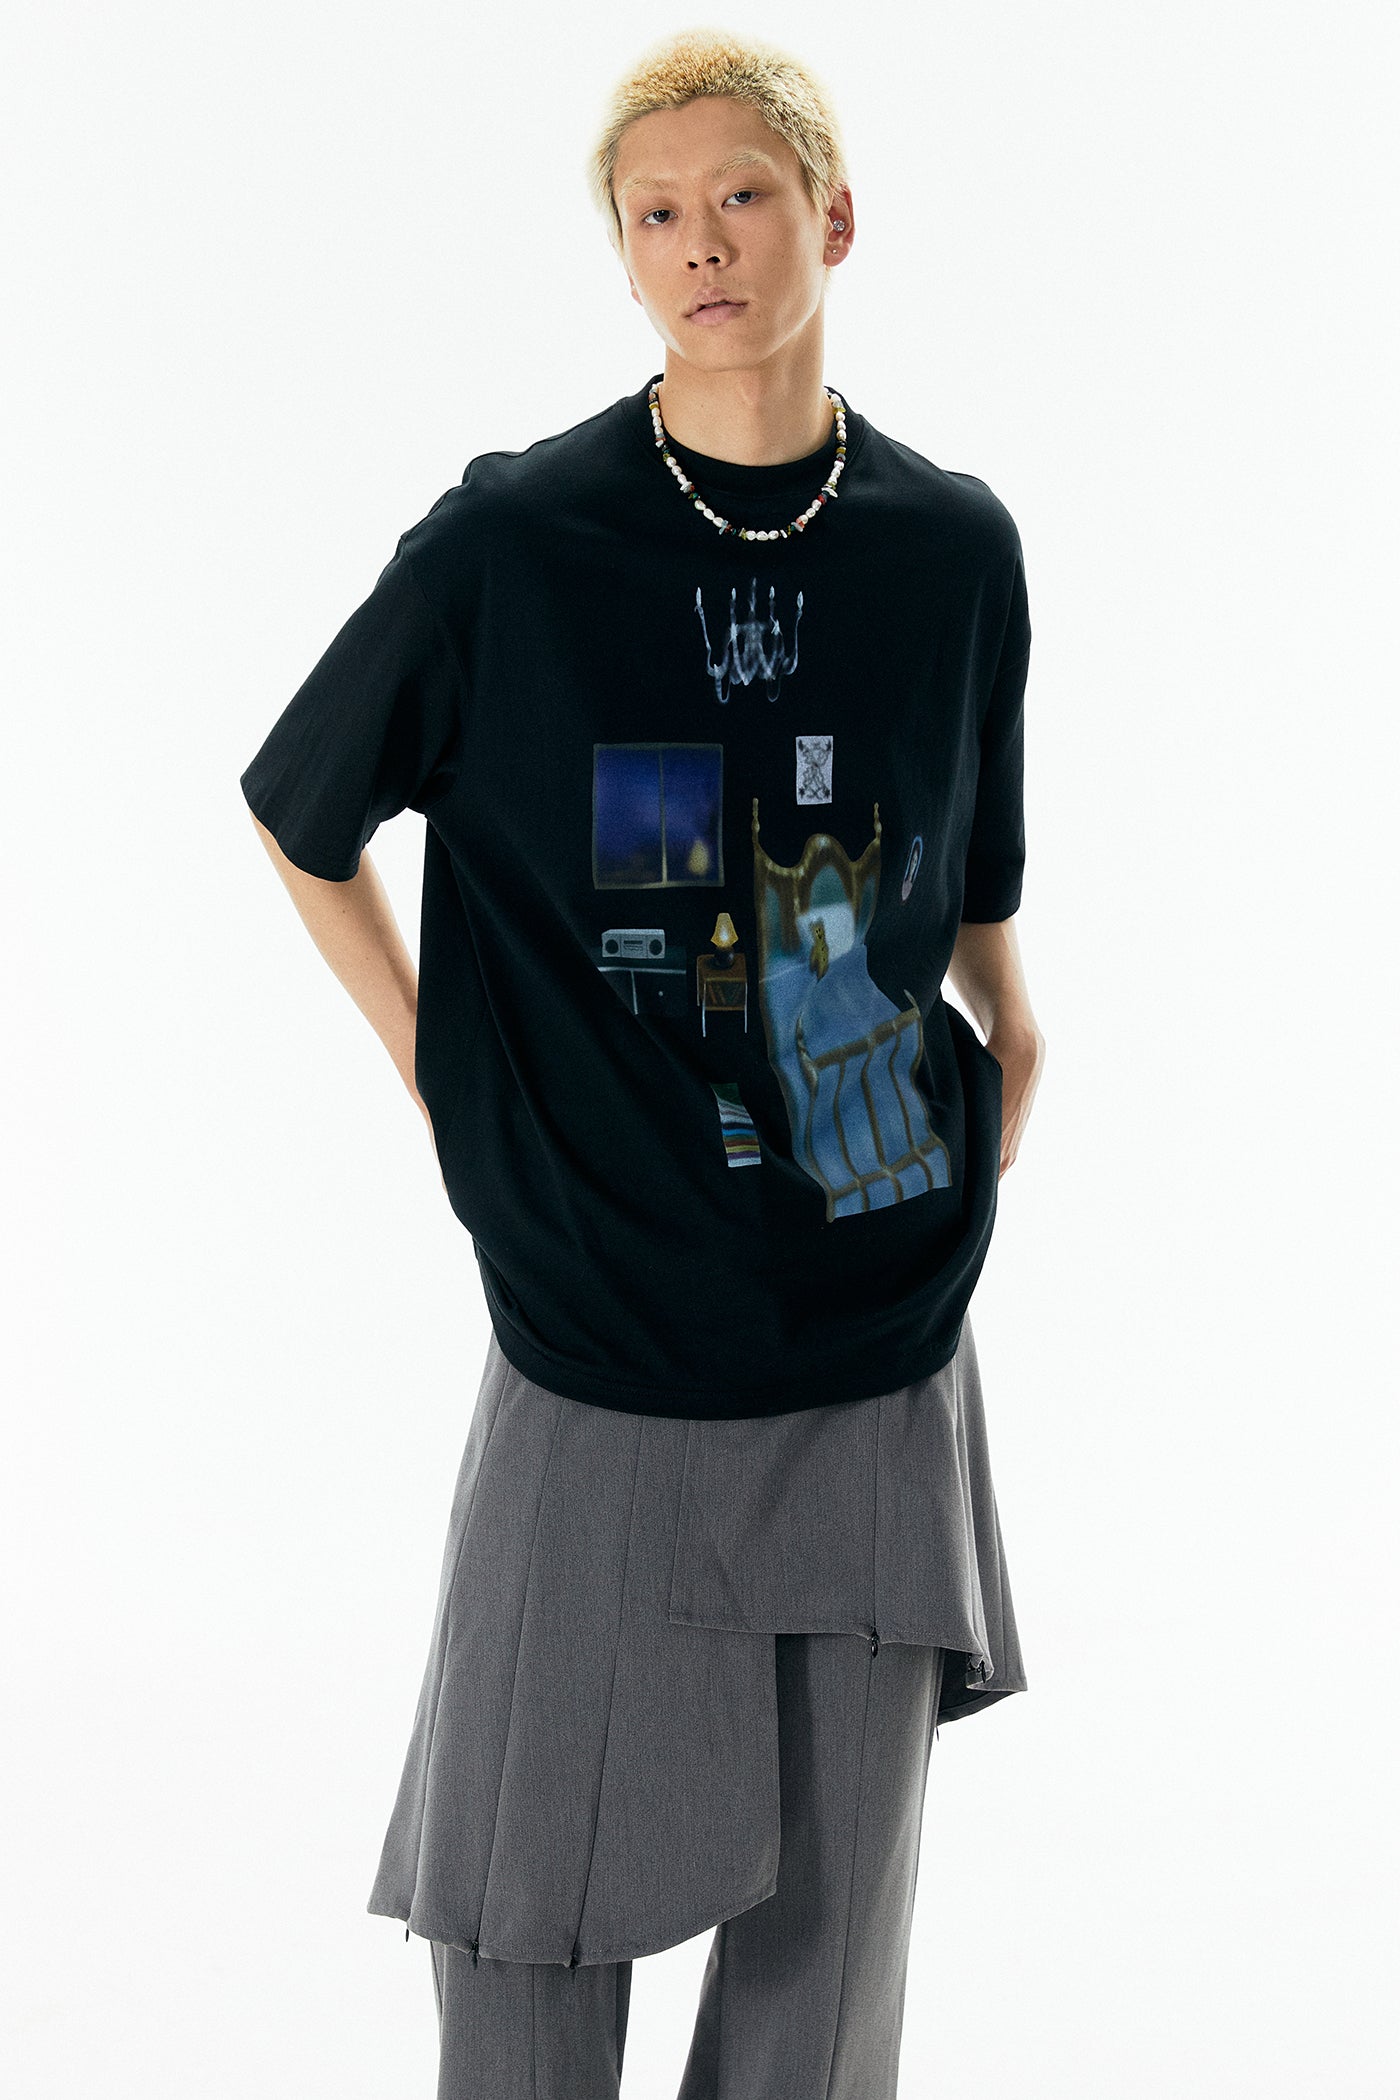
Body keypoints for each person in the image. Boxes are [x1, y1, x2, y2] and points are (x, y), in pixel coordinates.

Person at [239, 24, 1046, 2099]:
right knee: (530, 1907)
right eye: (656, 212)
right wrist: (446, 1074)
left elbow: (968, 891)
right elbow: (303, 812)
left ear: (832, 220)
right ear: (621, 255)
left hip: (873, 1324)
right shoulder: (517, 545)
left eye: (742, 195)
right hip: (597, 1314)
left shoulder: (954, 548)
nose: (702, 242)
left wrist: (1005, 1064)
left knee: (828, 1964)